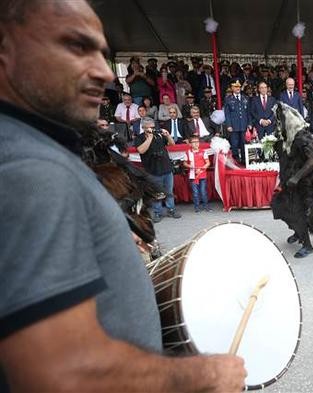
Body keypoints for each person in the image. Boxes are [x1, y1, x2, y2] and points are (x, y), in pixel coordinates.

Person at [0, 1, 245, 392]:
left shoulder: (30, 151)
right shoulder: (31, 166)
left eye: (102, 52)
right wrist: (201, 375)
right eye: (76, 46)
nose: (102, 72)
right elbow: (62, 374)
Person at [271, 102, 313, 258]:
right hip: (290, 182)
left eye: (280, 121)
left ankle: (307, 245)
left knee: (299, 212)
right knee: (282, 206)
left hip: (304, 184)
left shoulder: (302, 137)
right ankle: (297, 232)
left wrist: (296, 177)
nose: (278, 124)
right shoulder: (288, 137)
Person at [223, 79, 251, 163]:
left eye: (239, 86)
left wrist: (249, 123)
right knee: (234, 143)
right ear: (232, 88)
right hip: (233, 126)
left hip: (244, 124)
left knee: (244, 143)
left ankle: (244, 159)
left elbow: (248, 112)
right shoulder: (228, 99)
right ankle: (235, 159)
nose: (238, 88)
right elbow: (227, 113)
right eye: (235, 86)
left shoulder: (245, 98)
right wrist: (228, 125)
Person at [183, 135, 211, 212]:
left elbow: (208, 162)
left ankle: (206, 206)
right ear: (190, 144)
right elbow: (184, 163)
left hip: (202, 174)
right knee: (195, 193)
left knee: (203, 192)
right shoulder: (187, 153)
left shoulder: (203, 152)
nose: (196, 144)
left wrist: (202, 168)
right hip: (193, 175)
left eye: (197, 142)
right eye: (194, 142)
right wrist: (190, 166)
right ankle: (197, 207)